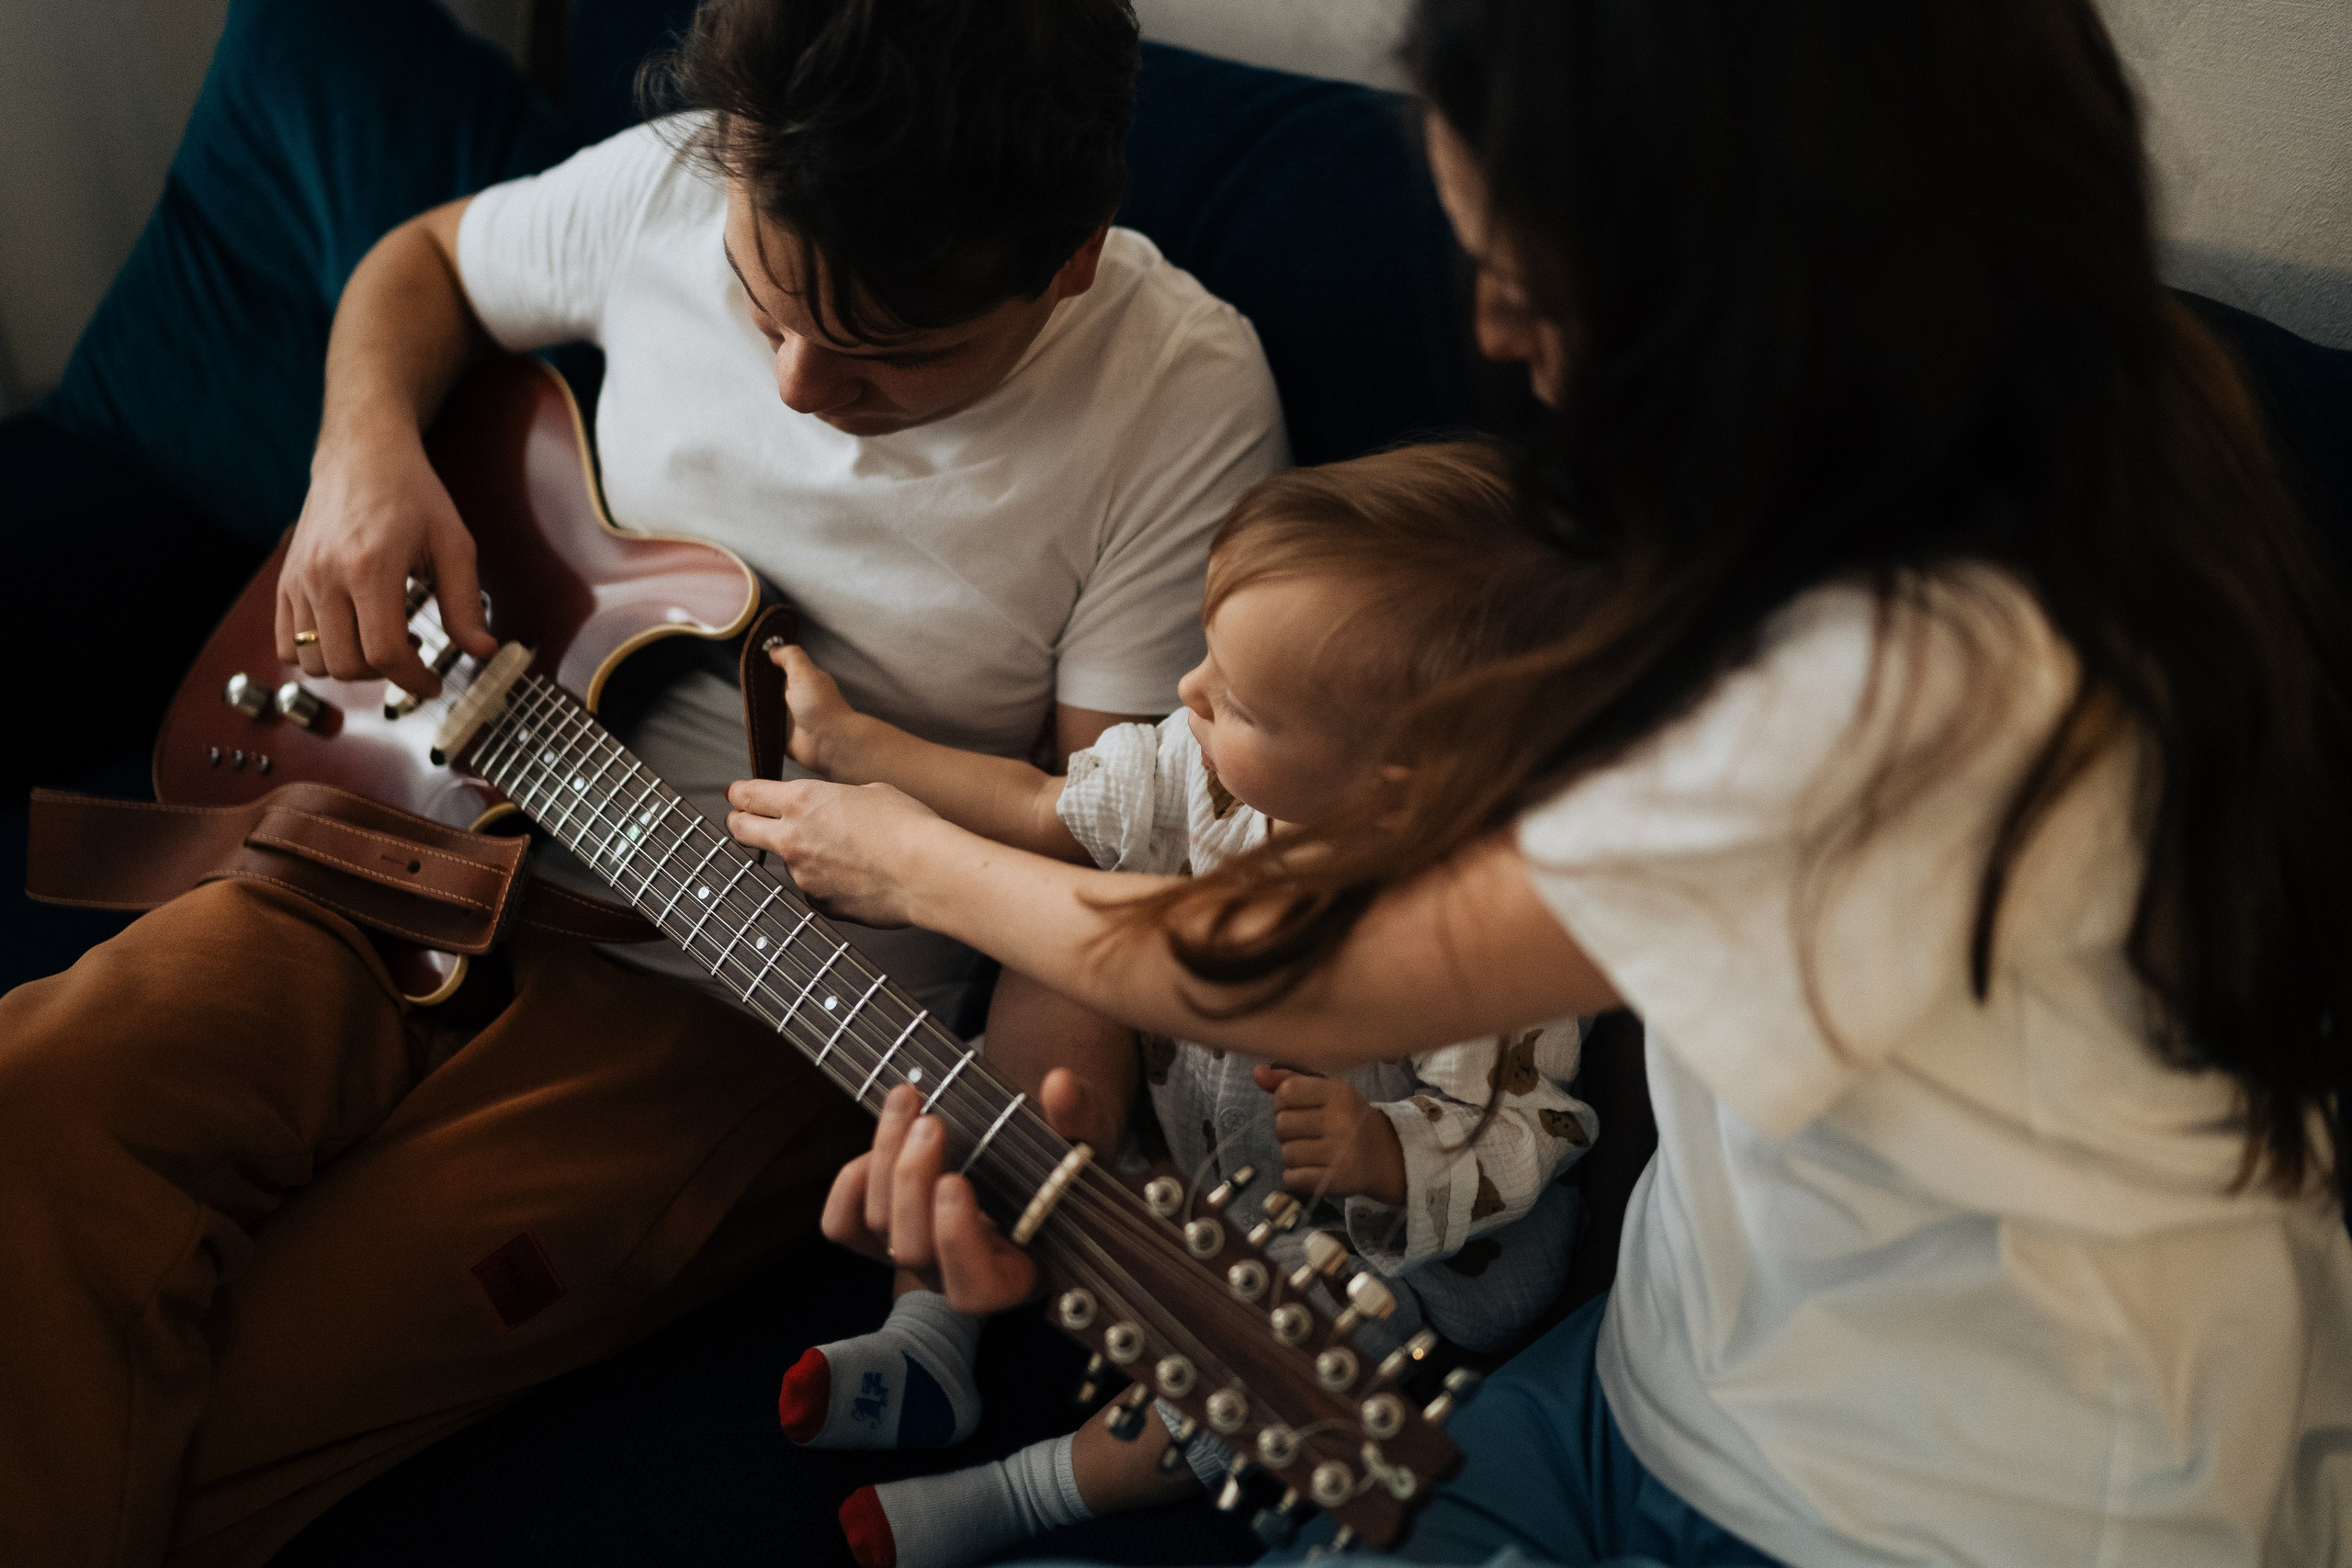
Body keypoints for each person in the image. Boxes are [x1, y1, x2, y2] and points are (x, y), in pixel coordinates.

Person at [728, 1, 2352, 1563]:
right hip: (1664, 1373)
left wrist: (912, 862)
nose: (1500, 337)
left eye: (1535, 284)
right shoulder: (1775, 515)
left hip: (1966, 1503)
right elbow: (1311, 833)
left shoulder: (1919, 676)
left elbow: (1312, 972)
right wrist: (1050, 1114)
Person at [0, 1, 1285, 1562]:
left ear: (1072, 255)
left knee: (258, 1368)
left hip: (735, 1023)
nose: (805, 384)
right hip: (409, 833)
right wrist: (360, 462)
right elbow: (420, 264)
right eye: (760, 302)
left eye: (892, 357)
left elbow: (1093, 863)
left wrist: (1030, 1118)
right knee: (38, 1102)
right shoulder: (680, 174)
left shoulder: (1181, 399)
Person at [744, 443, 1597, 1568]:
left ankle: (1033, 1489)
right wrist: (860, 750)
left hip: (1376, 1246)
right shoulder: (1207, 768)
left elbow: (1517, 1128)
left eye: (1234, 698)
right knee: (1048, 946)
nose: (1187, 693)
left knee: (1286, 1352)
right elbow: (1048, 810)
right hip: (1189, 1128)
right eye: (1205, 658)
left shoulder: (1484, 927)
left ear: (1399, 779)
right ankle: (931, 1334)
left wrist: (1381, 1154)